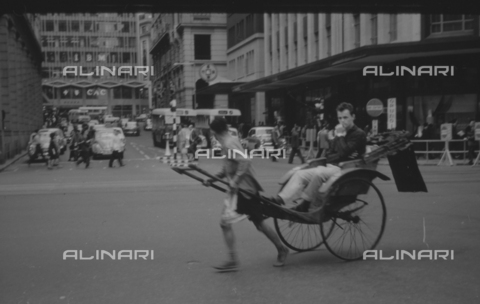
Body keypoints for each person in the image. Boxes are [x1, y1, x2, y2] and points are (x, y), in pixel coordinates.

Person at [204, 117, 289, 272]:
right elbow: (227, 168)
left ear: (216, 132)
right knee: (251, 223)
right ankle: (233, 259)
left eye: (212, 133)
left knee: (252, 223)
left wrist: (235, 181)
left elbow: (245, 161)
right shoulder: (227, 144)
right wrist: (211, 179)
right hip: (238, 191)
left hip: (245, 191)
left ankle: (280, 249)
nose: (212, 137)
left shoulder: (229, 143)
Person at [272, 102, 366, 211]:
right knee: (300, 174)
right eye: (340, 118)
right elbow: (330, 153)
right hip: (331, 166)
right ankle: (280, 199)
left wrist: (339, 137)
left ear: (353, 117)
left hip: (346, 170)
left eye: (345, 117)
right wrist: (339, 152)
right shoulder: (339, 131)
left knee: (319, 173)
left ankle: (305, 203)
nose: (342, 121)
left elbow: (343, 152)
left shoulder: (358, 134)